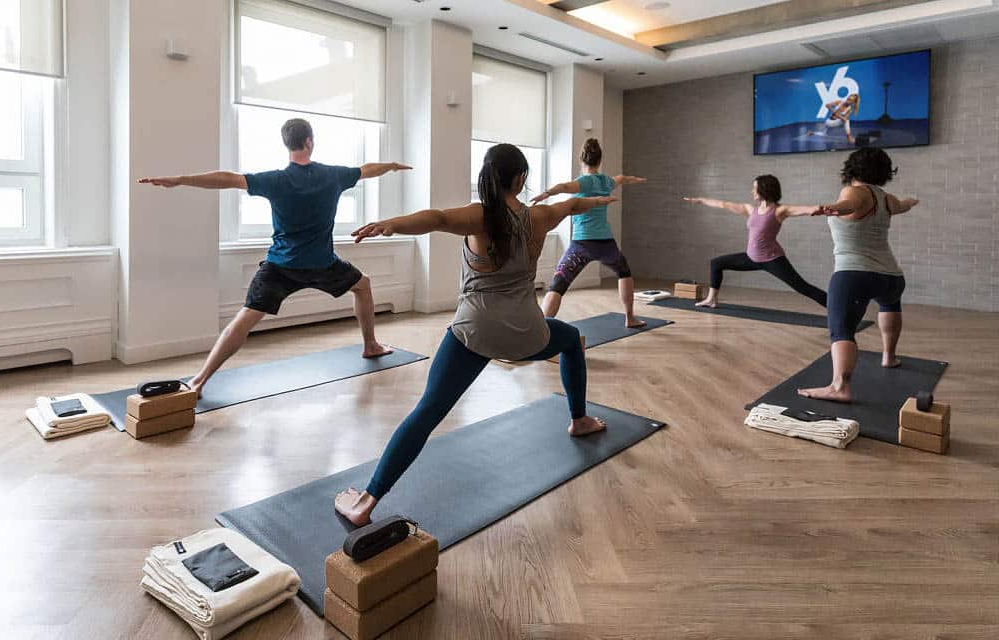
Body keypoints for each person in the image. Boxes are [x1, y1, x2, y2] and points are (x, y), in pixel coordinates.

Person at [334, 143, 616, 526]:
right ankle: (579, 419)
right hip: (528, 334)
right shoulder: (540, 216)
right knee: (568, 340)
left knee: (428, 411)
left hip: (474, 334)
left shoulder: (479, 217)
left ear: (488, 175)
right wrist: (599, 201)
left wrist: (393, 224)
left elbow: (434, 218)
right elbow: (572, 206)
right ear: (520, 179)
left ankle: (366, 501)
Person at [139, 118, 410, 394]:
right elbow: (367, 170)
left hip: (281, 266)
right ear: (309, 141)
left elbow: (227, 178)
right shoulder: (333, 175)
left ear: (287, 144)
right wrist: (390, 166)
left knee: (244, 318)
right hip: (322, 264)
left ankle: (199, 380)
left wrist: (181, 180)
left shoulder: (275, 180)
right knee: (362, 285)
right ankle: (370, 345)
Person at [799, 147, 919, 402]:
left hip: (854, 275)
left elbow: (850, 205)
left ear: (852, 167)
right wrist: (911, 201)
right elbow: (903, 206)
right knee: (889, 305)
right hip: (891, 276)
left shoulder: (854, 191)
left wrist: (836, 207)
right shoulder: (886, 198)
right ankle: (889, 357)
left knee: (841, 330)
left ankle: (839, 387)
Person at [531, 138, 648, 328]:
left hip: (582, 243)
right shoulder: (606, 182)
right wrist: (637, 180)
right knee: (624, 271)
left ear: (581, 159)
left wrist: (546, 193)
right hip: (606, 243)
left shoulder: (583, 182)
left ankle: (540, 331)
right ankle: (630, 317)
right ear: (600, 161)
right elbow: (622, 178)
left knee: (558, 284)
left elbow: (563, 187)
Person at [683, 175, 828, 308]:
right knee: (716, 263)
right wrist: (701, 200)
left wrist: (819, 209)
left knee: (802, 287)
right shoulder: (750, 209)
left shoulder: (779, 210)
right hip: (751, 257)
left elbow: (804, 209)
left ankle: (840, 308)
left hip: (772, 259)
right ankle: (711, 299)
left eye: (754, 188)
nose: (752, 191)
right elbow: (723, 204)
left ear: (764, 189)